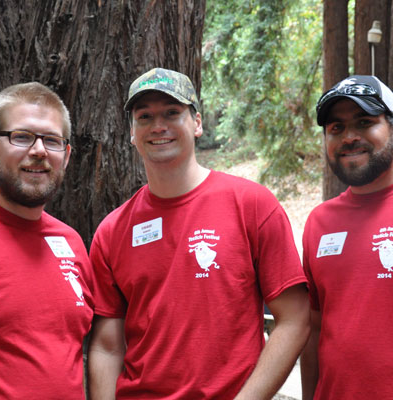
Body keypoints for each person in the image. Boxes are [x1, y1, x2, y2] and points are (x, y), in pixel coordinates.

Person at [88, 67, 310, 400]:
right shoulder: (112, 231)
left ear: (197, 123)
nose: (158, 126)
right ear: (132, 134)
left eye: (172, 113)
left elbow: (295, 320)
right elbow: (107, 347)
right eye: (144, 116)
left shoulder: (251, 205)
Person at [0, 82, 94, 399]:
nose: (38, 150)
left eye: (51, 140)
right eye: (21, 136)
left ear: (66, 156)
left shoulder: (71, 243)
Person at [300, 75, 393, 400]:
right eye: (336, 128)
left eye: (365, 122)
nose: (349, 137)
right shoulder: (319, 224)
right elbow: (313, 331)